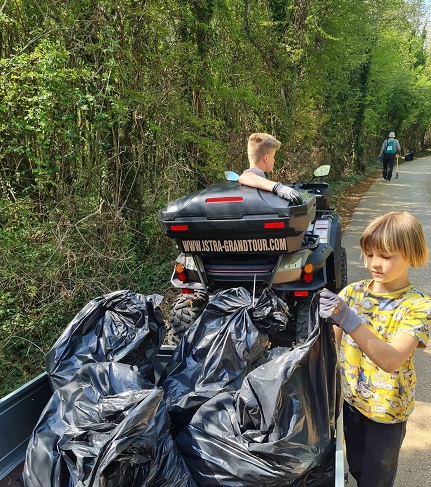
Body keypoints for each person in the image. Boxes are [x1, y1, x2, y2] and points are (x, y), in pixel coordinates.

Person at [319, 211, 431, 487]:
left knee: (376, 479)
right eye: (369, 254)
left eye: (386, 256)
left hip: (387, 413)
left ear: (411, 254)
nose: (374, 263)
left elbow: (391, 360)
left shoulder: (418, 306)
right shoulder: (352, 293)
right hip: (351, 402)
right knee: (355, 467)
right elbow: (333, 347)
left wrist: (348, 320)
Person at [238, 132, 302, 204]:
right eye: (273, 156)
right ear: (266, 158)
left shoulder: (257, 180)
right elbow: (245, 177)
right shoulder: (252, 175)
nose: (274, 160)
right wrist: (278, 187)